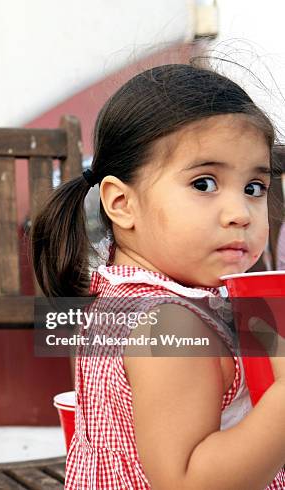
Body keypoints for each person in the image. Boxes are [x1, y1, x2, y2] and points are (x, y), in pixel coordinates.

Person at [31, 63, 285, 489]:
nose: (240, 214)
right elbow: (188, 482)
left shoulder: (124, 298)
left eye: (253, 188)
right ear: (122, 204)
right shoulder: (170, 322)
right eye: (204, 184)